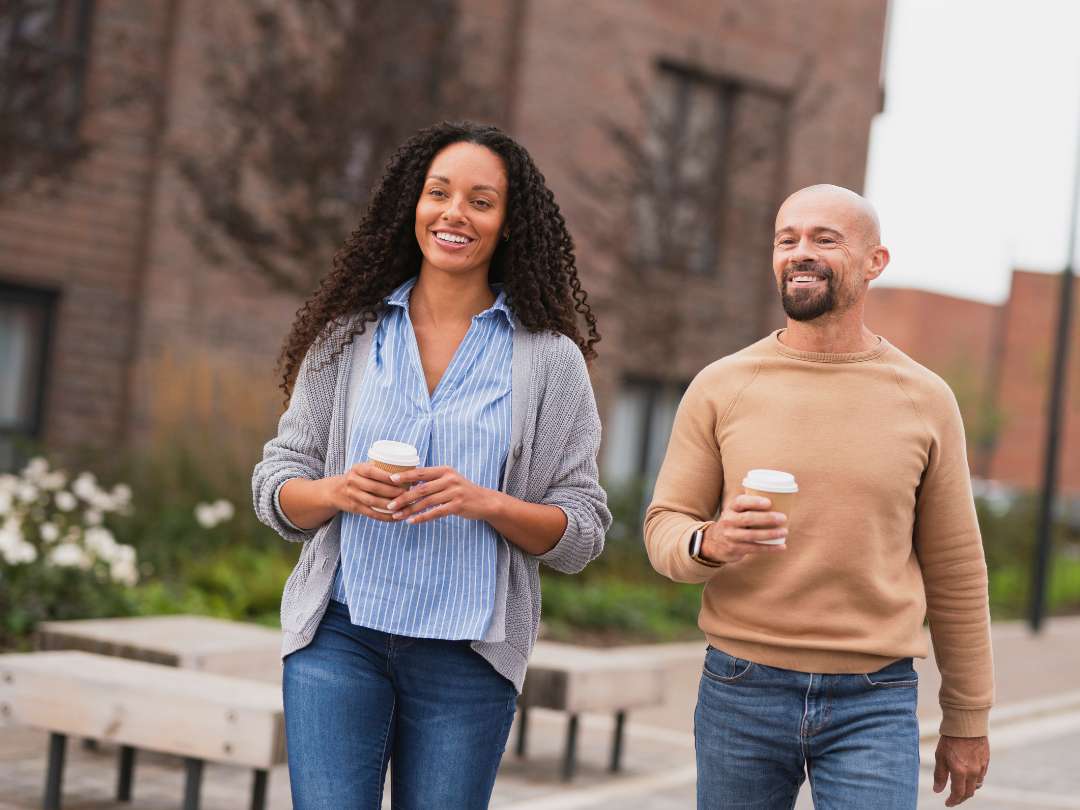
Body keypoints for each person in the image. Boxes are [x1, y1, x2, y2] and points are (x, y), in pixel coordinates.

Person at [252, 121, 610, 810]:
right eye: (438, 193)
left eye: (481, 200)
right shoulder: (347, 337)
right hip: (340, 637)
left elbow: (583, 533)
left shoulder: (548, 360)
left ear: (509, 224)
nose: (453, 213)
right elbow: (276, 488)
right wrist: (337, 489)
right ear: (411, 206)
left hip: (467, 658)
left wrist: (489, 503)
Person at [644, 184, 993, 809]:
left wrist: (966, 715)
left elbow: (957, 568)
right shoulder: (721, 386)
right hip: (740, 687)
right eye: (788, 240)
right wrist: (712, 541)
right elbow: (664, 528)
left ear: (874, 261)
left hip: (874, 698)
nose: (800, 253)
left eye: (824, 240)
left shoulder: (926, 398)